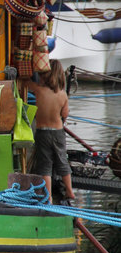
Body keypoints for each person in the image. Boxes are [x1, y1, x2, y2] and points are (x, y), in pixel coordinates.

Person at [27, 60, 77, 205]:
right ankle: (70, 191)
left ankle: (48, 197)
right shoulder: (62, 95)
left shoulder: (38, 90)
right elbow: (65, 114)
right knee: (62, 160)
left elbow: (25, 84)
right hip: (58, 132)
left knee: (45, 165)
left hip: (42, 132)